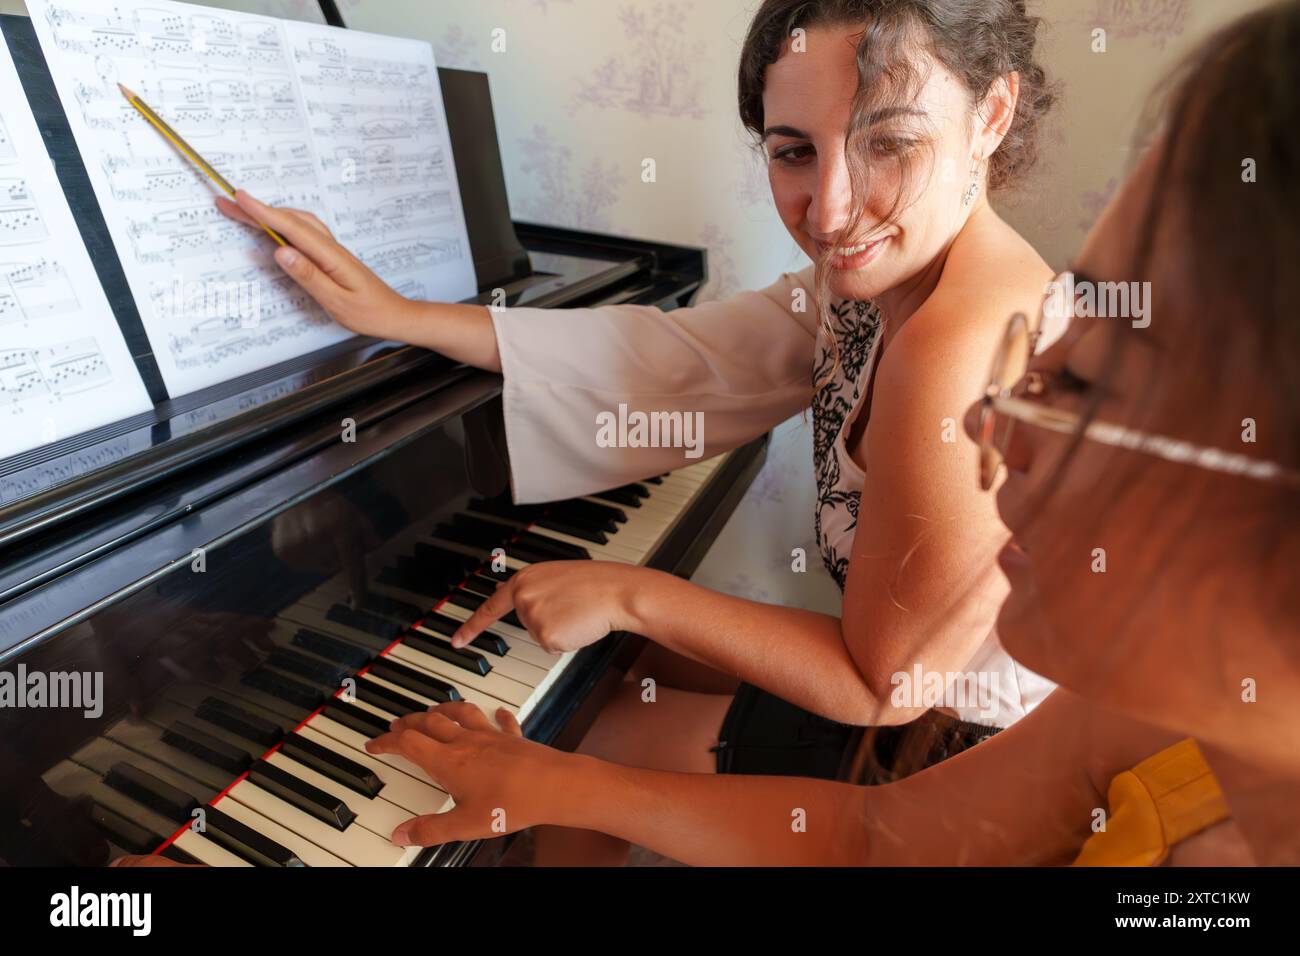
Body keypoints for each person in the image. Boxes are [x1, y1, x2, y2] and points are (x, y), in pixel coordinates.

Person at [261, 0, 1297, 866]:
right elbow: (681, 362)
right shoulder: (868, 283)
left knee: (588, 719)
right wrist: (402, 317)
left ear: (991, 114)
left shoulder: (958, 337)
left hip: (941, 733)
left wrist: (629, 598)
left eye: (887, 141)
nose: (832, 206)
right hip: (930, 724)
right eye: (795, 151)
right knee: (600, 687)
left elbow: (886, 686)